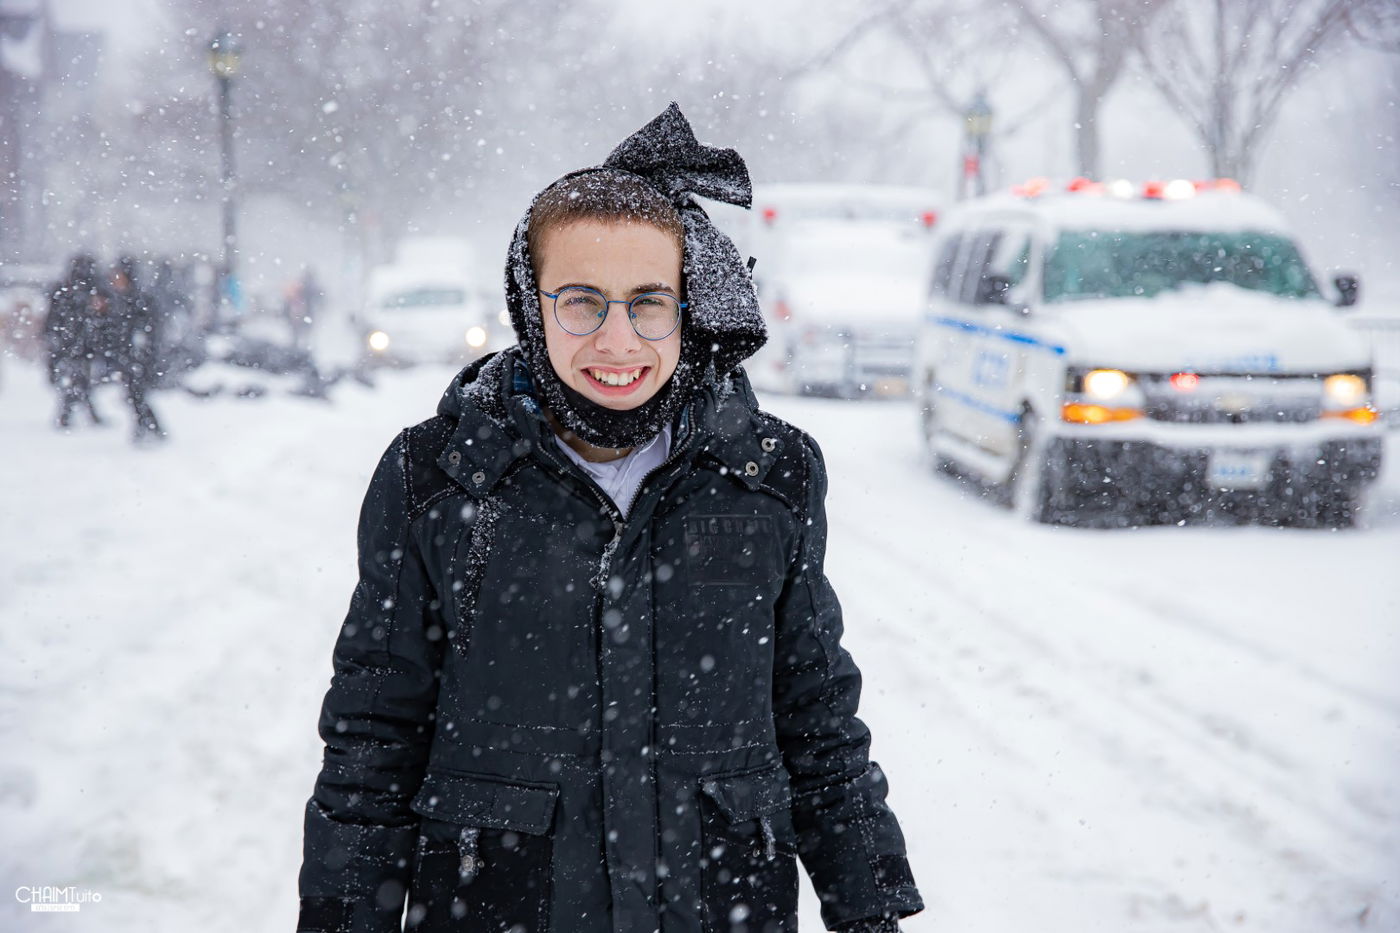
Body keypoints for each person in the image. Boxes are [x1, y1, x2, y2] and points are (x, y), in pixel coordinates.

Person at [296, 104, 924, 933]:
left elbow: (816, 714)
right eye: (582, 302)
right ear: (531, 301)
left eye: (648, 302)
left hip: (720, 902)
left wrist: (869, 906)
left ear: (688, 304)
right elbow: (373, 738)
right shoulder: (437, 477)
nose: (618, 339)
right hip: (499, 902)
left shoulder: (770, 475)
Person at [106, 255, 166, 443]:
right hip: (129, 358)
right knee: (134, 396)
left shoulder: (138, 300)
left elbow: (148, 331)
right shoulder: (120, 299)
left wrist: (140, 351)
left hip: (138, 359)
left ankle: (149, 428)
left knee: (136, 395)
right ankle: (147, 428)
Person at [44, 253, 107, 429]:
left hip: (74, 342)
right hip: (77, 342)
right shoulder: (84, 290)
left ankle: (72, 415)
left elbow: (53, 317)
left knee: (78, 379)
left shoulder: (68, 288)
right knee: (78, 378)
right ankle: (72, 415)